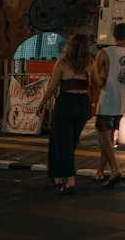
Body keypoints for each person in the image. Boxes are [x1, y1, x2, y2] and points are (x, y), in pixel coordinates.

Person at [36, 34, 93, 194]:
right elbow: (96, 82)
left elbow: (52, 87)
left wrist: (41, 104)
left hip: (66, 104)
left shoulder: (62, 64)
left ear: (70, 46)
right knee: (71, 142)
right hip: (83, 105)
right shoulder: (89, 63)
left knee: (61, 142)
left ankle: (68, 179)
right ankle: (59, 175)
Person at [93, 22, 125, 188]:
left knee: (104, 137)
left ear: (113, 35)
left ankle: (115, 169)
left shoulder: (104, 53)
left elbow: (94, 77)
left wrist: (100, 82)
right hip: (123, 102)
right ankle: (100, 171)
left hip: (107, 100)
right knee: (107, 138)